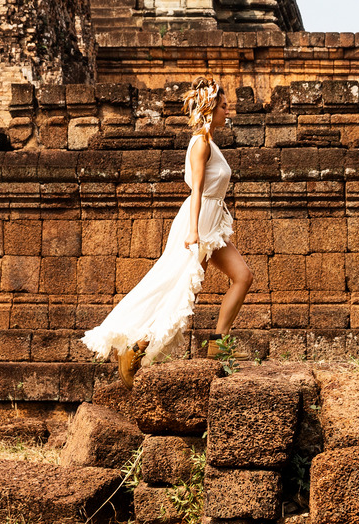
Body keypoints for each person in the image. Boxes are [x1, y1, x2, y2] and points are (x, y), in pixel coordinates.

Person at [82, 78, 254, 384]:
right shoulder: (200, 143)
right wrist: (192, 231)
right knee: (178, 289)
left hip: (212, 223)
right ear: (210, 109)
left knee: (242, 277)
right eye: (225, 107)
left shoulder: (210, 142)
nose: (228, 113)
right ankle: (135, 349)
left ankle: (219, 344)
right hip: (198, 223)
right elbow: (197, 190)